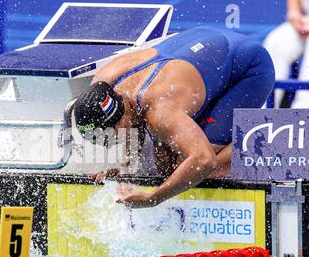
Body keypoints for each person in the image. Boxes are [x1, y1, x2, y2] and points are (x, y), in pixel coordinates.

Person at [73, 26, 275, 209]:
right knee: (163, 163)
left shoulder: (161, 112)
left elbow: (204, 160)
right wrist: (125, 166)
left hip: (250, 67)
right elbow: (132, 120)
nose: (107, 145)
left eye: (108, 137)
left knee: (190, 168)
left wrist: (153, 198)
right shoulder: (103, 82)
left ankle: (265, 139)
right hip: (204, 41)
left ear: (119, 119)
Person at [263, 0, 309, 108]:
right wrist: (294, 15)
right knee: (276, 41)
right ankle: (263, 110)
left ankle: (303, 111)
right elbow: (294, 6)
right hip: (305, 20)